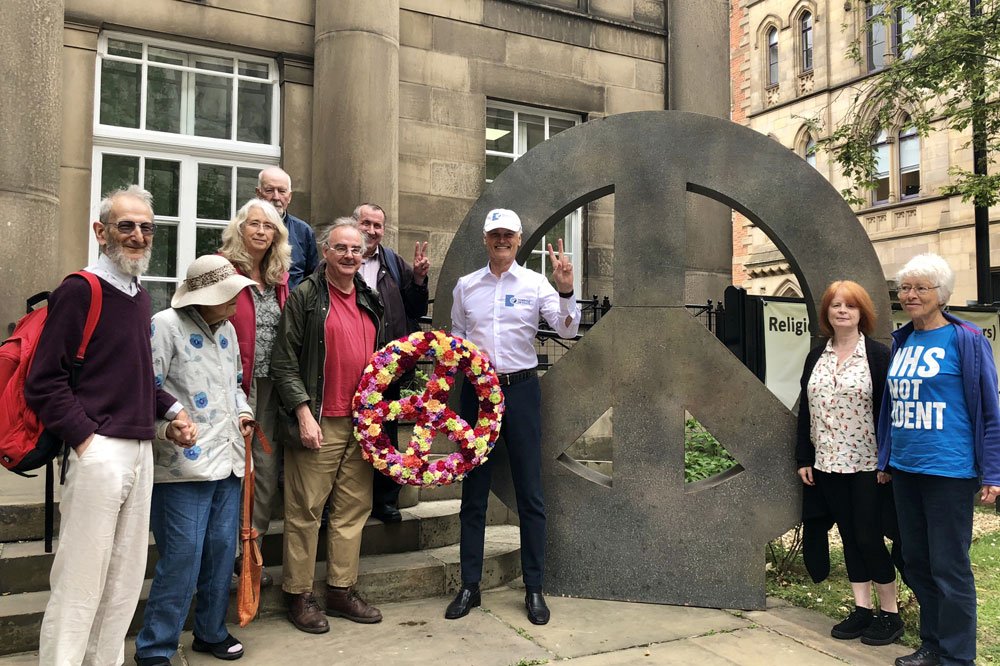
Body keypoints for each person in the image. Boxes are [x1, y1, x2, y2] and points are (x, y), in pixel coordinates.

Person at [25, 185, 197, 665]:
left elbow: (136, 375)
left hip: (139, 448)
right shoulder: (81, 289)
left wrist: (171, 411)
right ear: (101, 232)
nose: (138, 236)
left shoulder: (138, 296)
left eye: (146, 227)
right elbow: (44, 382)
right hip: (99, 450)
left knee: (123, 581)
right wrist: (85, 440)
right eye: (127, 226)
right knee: (80, 580)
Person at [447, 208, 581, 626]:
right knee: (474, 493)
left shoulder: (535, 283)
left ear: (518, 239)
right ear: (486, 240)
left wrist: (565, 290)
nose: (501, 240)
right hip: (478, 394)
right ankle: (470, 584)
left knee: (530, 492)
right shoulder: (466, 286)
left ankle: (534, 588)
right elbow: (456, 338)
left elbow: (567, 330)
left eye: (508, 234)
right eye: (494, 234)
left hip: (521, 391)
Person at [877, 254, 1000, 666]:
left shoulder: (965, 340)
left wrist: (994, 471)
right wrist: (885, 457)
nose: (909, 295)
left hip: (949, 470)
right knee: (917, 563)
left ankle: (957, 656)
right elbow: (890, 407)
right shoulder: (902, 340)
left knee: (950, 567)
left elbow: (990, 410)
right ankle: (932, 645)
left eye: (919, 288)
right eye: (905, 287)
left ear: (941, 294)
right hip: (906, 470)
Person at [134, 255, 257, 666]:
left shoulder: (227, 331)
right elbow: (141, 388)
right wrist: (171, 419)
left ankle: (209, 630)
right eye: (227, 296)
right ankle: (155, 647)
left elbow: (236, 387)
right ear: (203, 297)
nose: (236, 302)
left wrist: (244, 412)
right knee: (182, 557)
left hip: (227, 460)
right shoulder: (165, 326)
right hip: (181, 467)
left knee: (222, 552)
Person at [270, 218, 385, 633]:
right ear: (325, 253)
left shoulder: (371, 299)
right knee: (305, 512)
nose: (350, 256)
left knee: (353, 510)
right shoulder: (304, 297)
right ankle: (298, 595)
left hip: (361, 423)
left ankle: (340, 590)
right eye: (341, 248)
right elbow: (282, 362)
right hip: (319, 421)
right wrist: (302, 413)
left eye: (356, 249)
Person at [795, 280, 902, 646]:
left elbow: (891, 412)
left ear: (862, 313)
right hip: (827, 464)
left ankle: (890, 614)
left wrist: (888, 461)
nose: (842, 311)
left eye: (850, 306)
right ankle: (862, 609)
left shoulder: (877, 355)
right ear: (826, 312)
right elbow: (804, 411)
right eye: (836, 305)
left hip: (869, 465)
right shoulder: (816, 356)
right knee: (848, 537)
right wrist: (804, 457)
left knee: (868, 536)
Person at [220, 199, 291, 586]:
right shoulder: (220, 269)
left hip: (269, 387)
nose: (261, 231)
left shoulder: (280, 277)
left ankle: (251, 550)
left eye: (269, 226)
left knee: (263, 471)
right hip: (230, 385)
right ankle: (224, 551)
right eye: (254, 224)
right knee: (232, 470)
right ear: (240, 229)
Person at [353, 202, 430, 522]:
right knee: (345, 431)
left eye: (378, 225)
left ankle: (385, 499)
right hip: (348, 360)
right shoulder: (340, 258)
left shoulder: (394, 264)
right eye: (366, 223)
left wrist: (420, 280)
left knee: (385, 429)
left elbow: (414, 308)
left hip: (387, 365)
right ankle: (338, 502)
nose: (372, 231)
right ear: (354, 223)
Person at [256, 167, 318, 290]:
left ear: (289, 197)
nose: (276, 197)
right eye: (269, 190)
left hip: (293, 307)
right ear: (258, 194)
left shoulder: (303, 232)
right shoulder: (244, 229)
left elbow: (312, 278)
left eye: (282, 191)